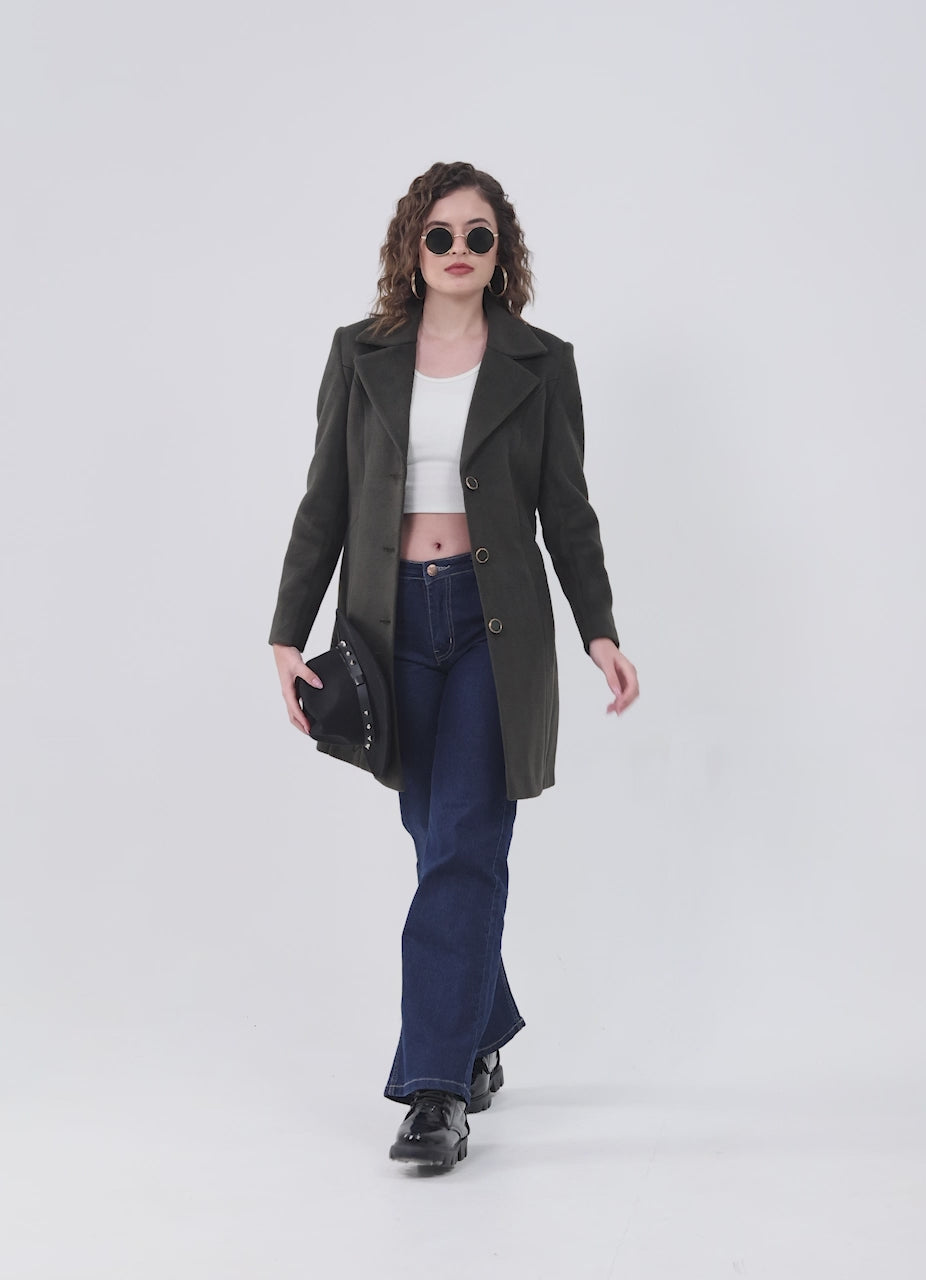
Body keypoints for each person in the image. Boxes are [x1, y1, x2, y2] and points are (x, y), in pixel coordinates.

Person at [268, 161, 638, 1170]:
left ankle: (434, 1087)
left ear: (501, 249)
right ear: (413, 246)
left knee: (469, 838)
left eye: (479, 235)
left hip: (492, 627)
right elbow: (325, 498)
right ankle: (481, 1022)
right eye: (441, 235)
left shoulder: (541, 363)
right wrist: (287, 630)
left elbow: (567, 510)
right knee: (437, 839)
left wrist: (600, 629)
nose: (460, 251)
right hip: (387, 624)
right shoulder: (360, 354)